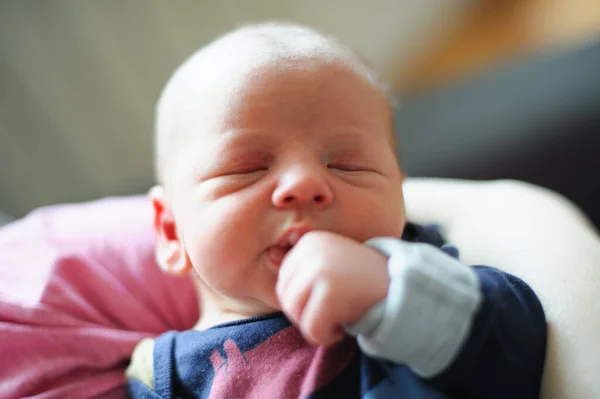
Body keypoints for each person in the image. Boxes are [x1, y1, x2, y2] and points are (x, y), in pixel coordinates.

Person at [126, 22, 546, 398]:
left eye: (348, 165)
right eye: (247, 168)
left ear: (399, 195)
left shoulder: (422, 269)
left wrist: (385, 288)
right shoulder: (162, 378)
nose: (304, 183)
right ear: (170, 230)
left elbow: (520, 349)